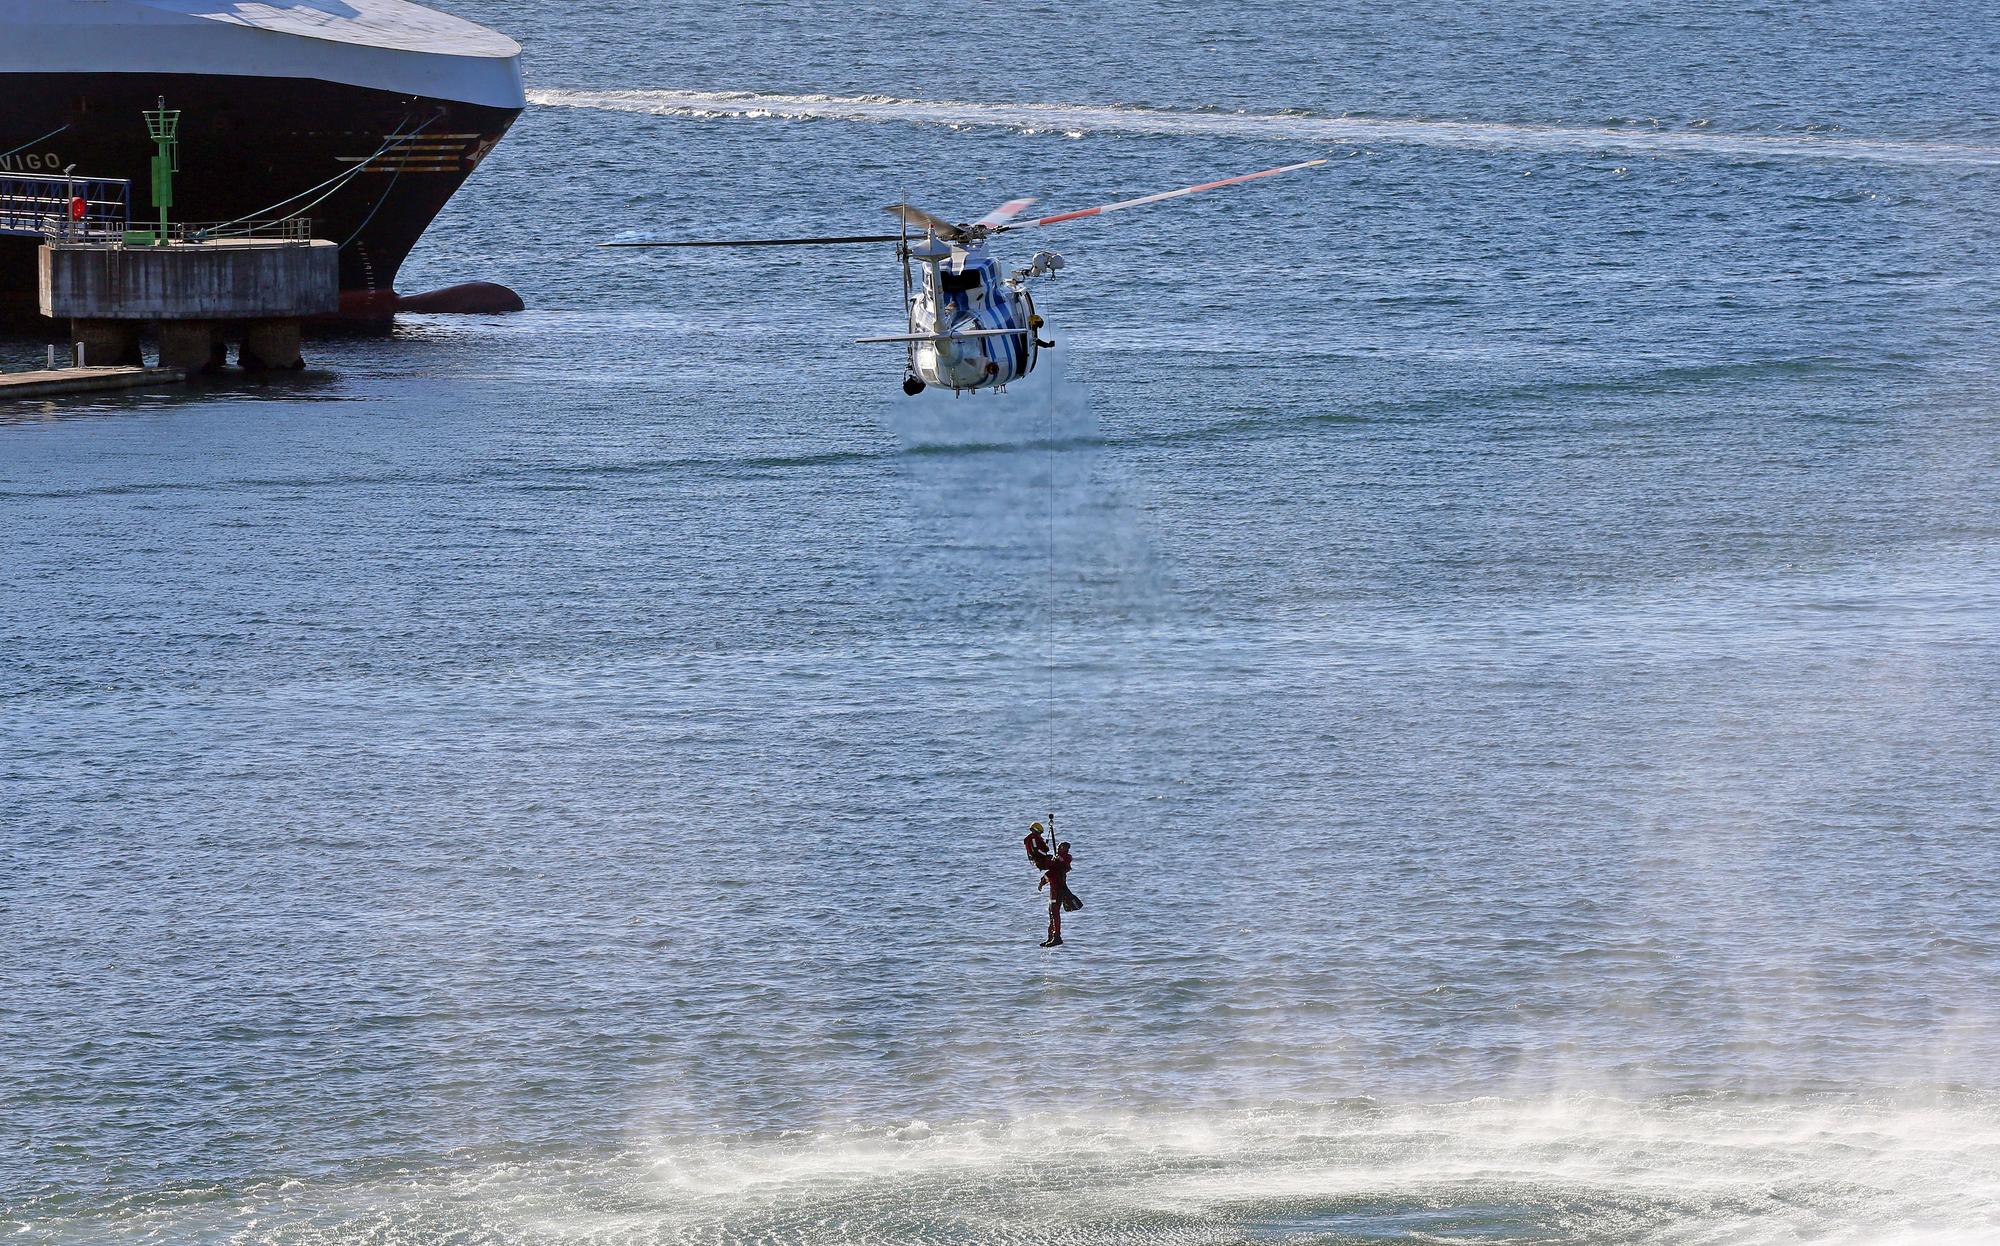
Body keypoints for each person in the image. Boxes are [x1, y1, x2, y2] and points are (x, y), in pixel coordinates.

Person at [1023, 822, 1080, 947]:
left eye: (1061, 847)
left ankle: (1056, 936)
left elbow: (1058, 867)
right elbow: (1050, 873)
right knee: (1051, 912)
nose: (1058, 848)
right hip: (1054, 889)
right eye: (1058, 847)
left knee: (1054, 912)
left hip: (1058, 889)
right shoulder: (1057, 861)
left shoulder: (1064, 859)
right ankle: (1051, 936)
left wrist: (1055, 860)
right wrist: (1042, 882)